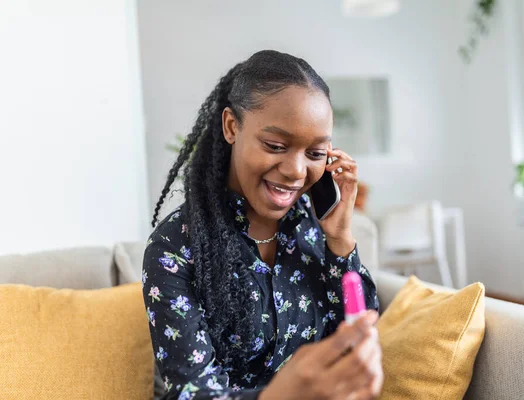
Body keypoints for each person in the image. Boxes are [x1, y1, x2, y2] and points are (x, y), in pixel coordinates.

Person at [142, 50, 382, 400]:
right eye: (275, 145)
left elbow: (361, 339)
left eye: (315, 153)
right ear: (231, 126)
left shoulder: (313, 228)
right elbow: (195, 393)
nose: (296, 171)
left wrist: (340, 238)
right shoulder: (175, 248)